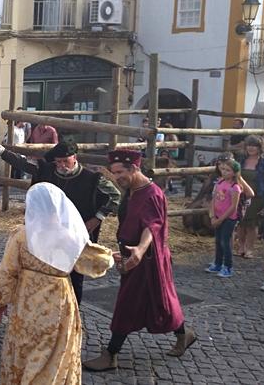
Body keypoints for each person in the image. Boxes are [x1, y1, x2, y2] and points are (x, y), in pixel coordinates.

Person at [84, 150, 195, 372]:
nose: (116, 177)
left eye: (120, 173)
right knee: (161, 302)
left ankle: (111, 354)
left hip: (147, 260)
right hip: (132, 255)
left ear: (135, 169)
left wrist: (139, 250)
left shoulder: (151, 194)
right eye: (113, 173)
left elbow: (152, 226)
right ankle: (184, 333)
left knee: (127, 303)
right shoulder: (132, 189)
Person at [0, 183, 114, 384]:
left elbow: (7, 272)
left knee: (25, 345)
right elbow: (97, 262)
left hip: (26, 301)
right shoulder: (70, 237)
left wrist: (0, 302)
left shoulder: (21, 235)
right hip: (58, 301)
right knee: (54, 351)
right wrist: (111, 256)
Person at [0, 136, 120, 304]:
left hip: (75, 237)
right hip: (48, 236)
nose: (61, 165)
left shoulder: (92, 178)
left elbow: (115, 197)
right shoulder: (47, 170)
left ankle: (73, 314)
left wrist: (96, 219)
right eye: (58, 162)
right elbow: (23, 163)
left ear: (74, 157)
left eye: (65, 161)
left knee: (75, 278)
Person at [236, 135, 264, 258]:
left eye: (254, 146)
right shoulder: (240, 161)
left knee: (252, 224)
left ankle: (249, 249)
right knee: (240, 223)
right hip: (240, 197)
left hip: (257, 198)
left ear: (260, 148)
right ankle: (241, 246)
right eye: (249, 145)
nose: (251, 148)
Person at [205, 158, 242, 278]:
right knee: (218, 241)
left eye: (228, 170)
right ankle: (217, 263)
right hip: (217, 216)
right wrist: (212, 216)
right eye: (223, 169)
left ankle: (228, 266)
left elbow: (233, 206)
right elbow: (213, 200)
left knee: (225, 242)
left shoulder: (235, 187)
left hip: (228, 218)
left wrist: (220, 219)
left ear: (234, 173)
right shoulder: (219, 183)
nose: (225, 172)